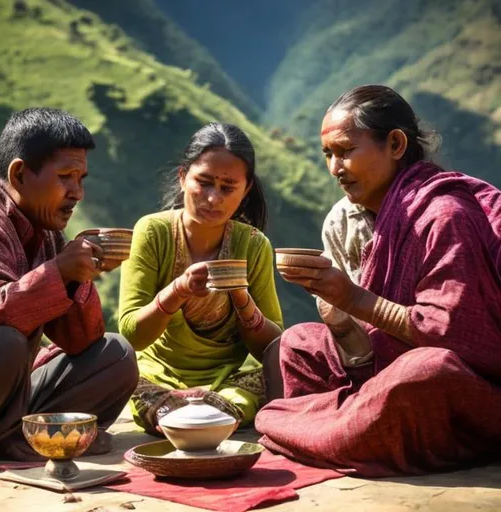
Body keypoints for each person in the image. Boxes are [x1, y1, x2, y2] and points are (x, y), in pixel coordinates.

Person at [256, 85, 501, 476]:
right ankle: (346, 425)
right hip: (382, 367)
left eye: (346, 151)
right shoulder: (351, 219)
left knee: (424, 372)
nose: (335, 167)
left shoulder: (444, 215)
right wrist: (338, 317)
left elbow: (451, 333)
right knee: (299, 343)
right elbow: (365, 341)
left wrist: (351, 297)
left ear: (396, 144)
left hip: (463, 383)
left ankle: (314, 427)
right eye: (328, 155)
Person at [0, 108, 139, 461]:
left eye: (81, 178)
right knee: (5, 341)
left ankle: (17, 435)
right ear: (20, 173)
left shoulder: (47, 232)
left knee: (115, 355)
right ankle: (15, 439)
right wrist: (59, 271)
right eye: (65, 177)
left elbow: (81, 341)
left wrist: (78, 278)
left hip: (6, 395)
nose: (77, 193)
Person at [119, 122, 283, 434]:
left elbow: (272, 348)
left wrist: (242, 300)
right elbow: (131, 334)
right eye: (204, 183)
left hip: (230, 381)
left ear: (246, 190)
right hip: (157, 377)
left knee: (282, 367)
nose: (213, 199)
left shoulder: (253, 244)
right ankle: (204, 418)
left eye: (227, 188)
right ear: (183, 178)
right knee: (122, 374)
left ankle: (208, 414)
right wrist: (177, 290)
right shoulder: (152, 232)